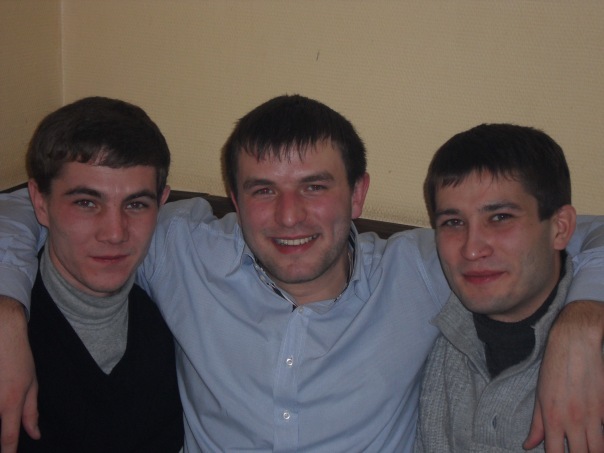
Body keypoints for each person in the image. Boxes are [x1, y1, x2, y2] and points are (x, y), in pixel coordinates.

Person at [0, 95, 602, 453]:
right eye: (263, 190)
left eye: (315, 187)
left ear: (358, 194)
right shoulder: (179, 246)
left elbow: (575, 232)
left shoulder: (428, 265)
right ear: (234, 198)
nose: (289, 217)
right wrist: (6, 308)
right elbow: (33, 205)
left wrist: (582, 320)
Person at [9, 97, 183, 452]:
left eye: (136, 204)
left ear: (161, 203)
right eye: (86, 203)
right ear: (40, 203)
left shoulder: (172, 328)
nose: (115, 233)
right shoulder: (12, 338)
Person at [413, 123, 600, 452]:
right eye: (453, 222)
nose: (472, 249)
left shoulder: (593, 352)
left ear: (560, 228)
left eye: (500, 217)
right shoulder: (419, 317)